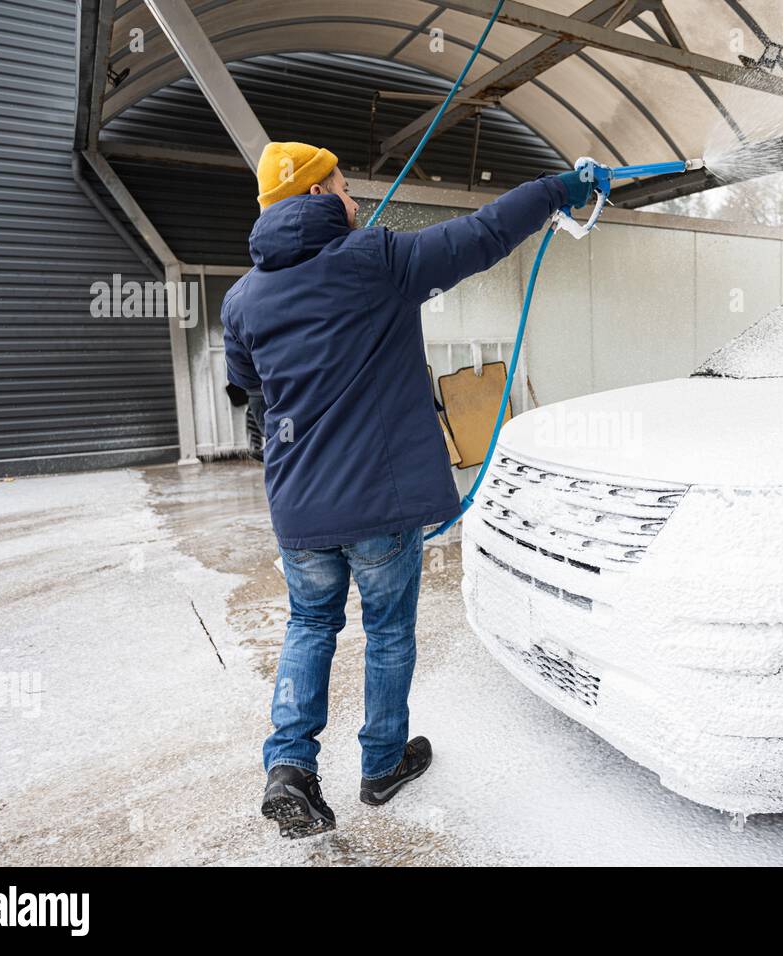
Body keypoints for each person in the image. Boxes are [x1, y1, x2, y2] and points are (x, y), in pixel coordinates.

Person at [222, 141, 592, 838]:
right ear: (319, 195)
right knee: (388, 632)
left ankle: (289, 768)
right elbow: (481, 235)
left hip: (298, 503)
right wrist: (556, 190)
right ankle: (383, 763)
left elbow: (249, 386)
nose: (354, 197)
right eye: (343, 184)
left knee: (309, 626)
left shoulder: (243, 298)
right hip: (378, 502)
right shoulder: (378, 261)